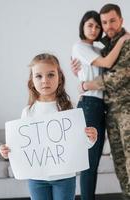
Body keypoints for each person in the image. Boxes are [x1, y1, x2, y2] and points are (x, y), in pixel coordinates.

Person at [0, 53, 98, 200]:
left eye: (51, 75)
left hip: (65, 177)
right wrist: (8, 151)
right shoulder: (28, 112)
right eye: (38, 76)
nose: (45, 80)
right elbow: (21, 146)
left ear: (59, 78)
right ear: (32, 81)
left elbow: (81, 145)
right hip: (36, 178)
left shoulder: (69, 109)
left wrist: (91, 139)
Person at [72, 4, 130, 200]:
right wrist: (80, 78)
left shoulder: (109, 46)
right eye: (95, 24)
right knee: (100, 163)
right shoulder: (92, 47)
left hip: (114, 108)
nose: (98, 29)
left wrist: (85, 82)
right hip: (98, 107)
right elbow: (103, 66)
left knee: (102, 162)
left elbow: (115, 72)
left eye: (99, 25)